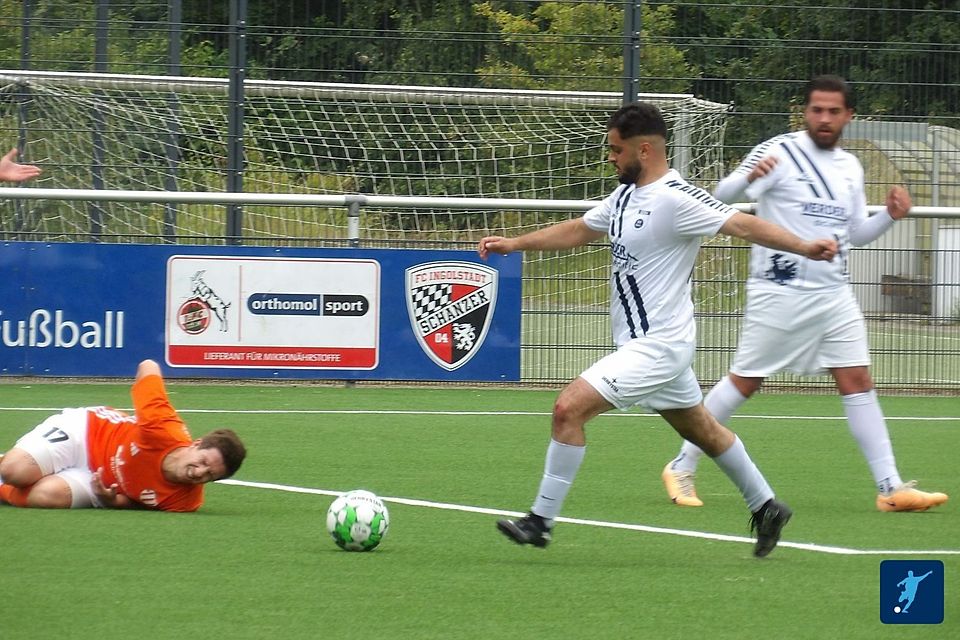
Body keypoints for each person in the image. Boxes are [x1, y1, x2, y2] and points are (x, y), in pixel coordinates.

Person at [478, 101, 839, 557]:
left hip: (659, 347)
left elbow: (742, 225)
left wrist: (806, 245)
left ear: (643, 150)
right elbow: (578, 230)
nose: (610, 157)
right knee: (705, 432)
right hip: (648, 347)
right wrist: (516, 243)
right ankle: (767, 506)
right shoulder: (625, 196)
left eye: (615, 149)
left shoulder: (677, 197)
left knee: (567, 409)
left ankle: (540, 522)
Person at [661, 75, 949, 513]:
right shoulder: (778, 149)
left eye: (834, 111)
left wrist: (890, 216)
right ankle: (681, 465)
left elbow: (856, 234)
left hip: (833, 292)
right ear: (806, 113)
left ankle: (890, 488)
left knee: (856, 379)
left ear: (848, 116)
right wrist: (747, 180)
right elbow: (721, 194)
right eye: (817, 110)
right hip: (779, 289)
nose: (824, 118)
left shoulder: (850, 167)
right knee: (746, 381)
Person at [0, 359, 246, 512]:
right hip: (86, 432)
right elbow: (148, 365)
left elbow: (141, 503)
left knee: (45, 496)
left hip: (98, 481)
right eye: (204, 462)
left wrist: (112, 500)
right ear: (197, 444)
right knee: (14, 471)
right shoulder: (162, 426)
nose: (200, 473)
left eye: (210, 475)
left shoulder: (186, 501)